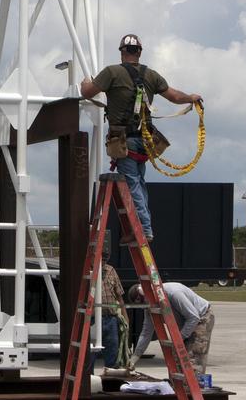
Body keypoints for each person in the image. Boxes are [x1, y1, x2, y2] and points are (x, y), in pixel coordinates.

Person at [80, 34, 203, 241]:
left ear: (122, 52)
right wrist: (192, 97)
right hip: (145, 140)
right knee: (140, 183)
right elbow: (174, 96)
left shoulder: (112, 72)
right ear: (139, 52)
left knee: (132, 184)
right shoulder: (151, 75)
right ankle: (144, 226)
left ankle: (144, 229)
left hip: (123, 140)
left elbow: (87, 93)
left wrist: (85, 82)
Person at [129, 282, 215, 374]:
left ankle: (197, 384)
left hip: (202, 318)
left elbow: (193, 317)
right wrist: (135, 357)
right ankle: (181, 386)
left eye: (145, 303)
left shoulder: (173, 293)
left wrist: (179, 338)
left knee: (193, 357)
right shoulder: (150, 306)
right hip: (186, 322)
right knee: (177, 358)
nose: (145, 308)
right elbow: (146, 333)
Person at [98, 242, 130, 375]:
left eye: (106, 258)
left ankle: (110, 383)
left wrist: (126, 318)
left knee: (113, 354)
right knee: (90, 355)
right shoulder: (87, 272)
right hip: (94, 320)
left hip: (111, 319)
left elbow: (119, 297)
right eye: (102, 258)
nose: (104, 261)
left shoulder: (111, 271)